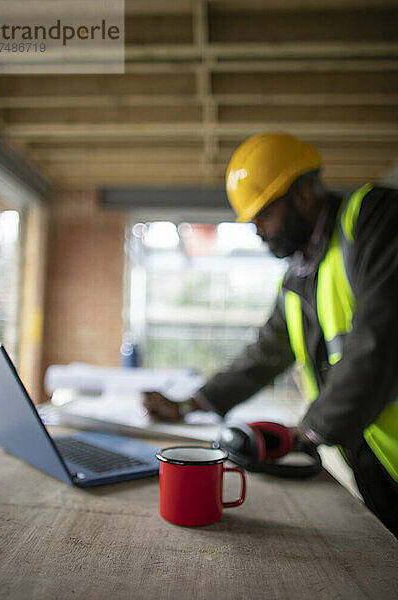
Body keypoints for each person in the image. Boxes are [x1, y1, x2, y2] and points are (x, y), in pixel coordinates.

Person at [143, 133, 398, 537]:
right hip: (378, 467)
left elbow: (379, 342)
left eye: (264, 213)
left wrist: (306, 431)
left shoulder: (374, 220)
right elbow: (265, 353)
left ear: (303, 194)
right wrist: (190, 404)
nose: (258, 231)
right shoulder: (297, 278)